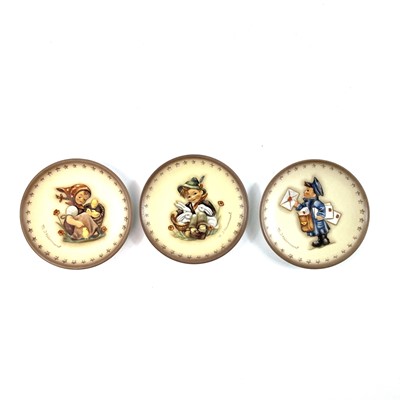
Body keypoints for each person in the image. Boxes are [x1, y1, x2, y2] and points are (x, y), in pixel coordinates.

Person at [294, 177, 330, 247]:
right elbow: (302, 208)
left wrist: (321, 215)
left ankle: (324, 238)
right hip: (311, 220)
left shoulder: (316, 202)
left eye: (308, 190)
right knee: (316, 231)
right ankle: (320, 240)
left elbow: (322, 208)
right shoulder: (306, 202)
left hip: (317, 220)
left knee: (321, 230)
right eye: (306, 190)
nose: (305, 192)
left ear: (314, 194)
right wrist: (298, 205)